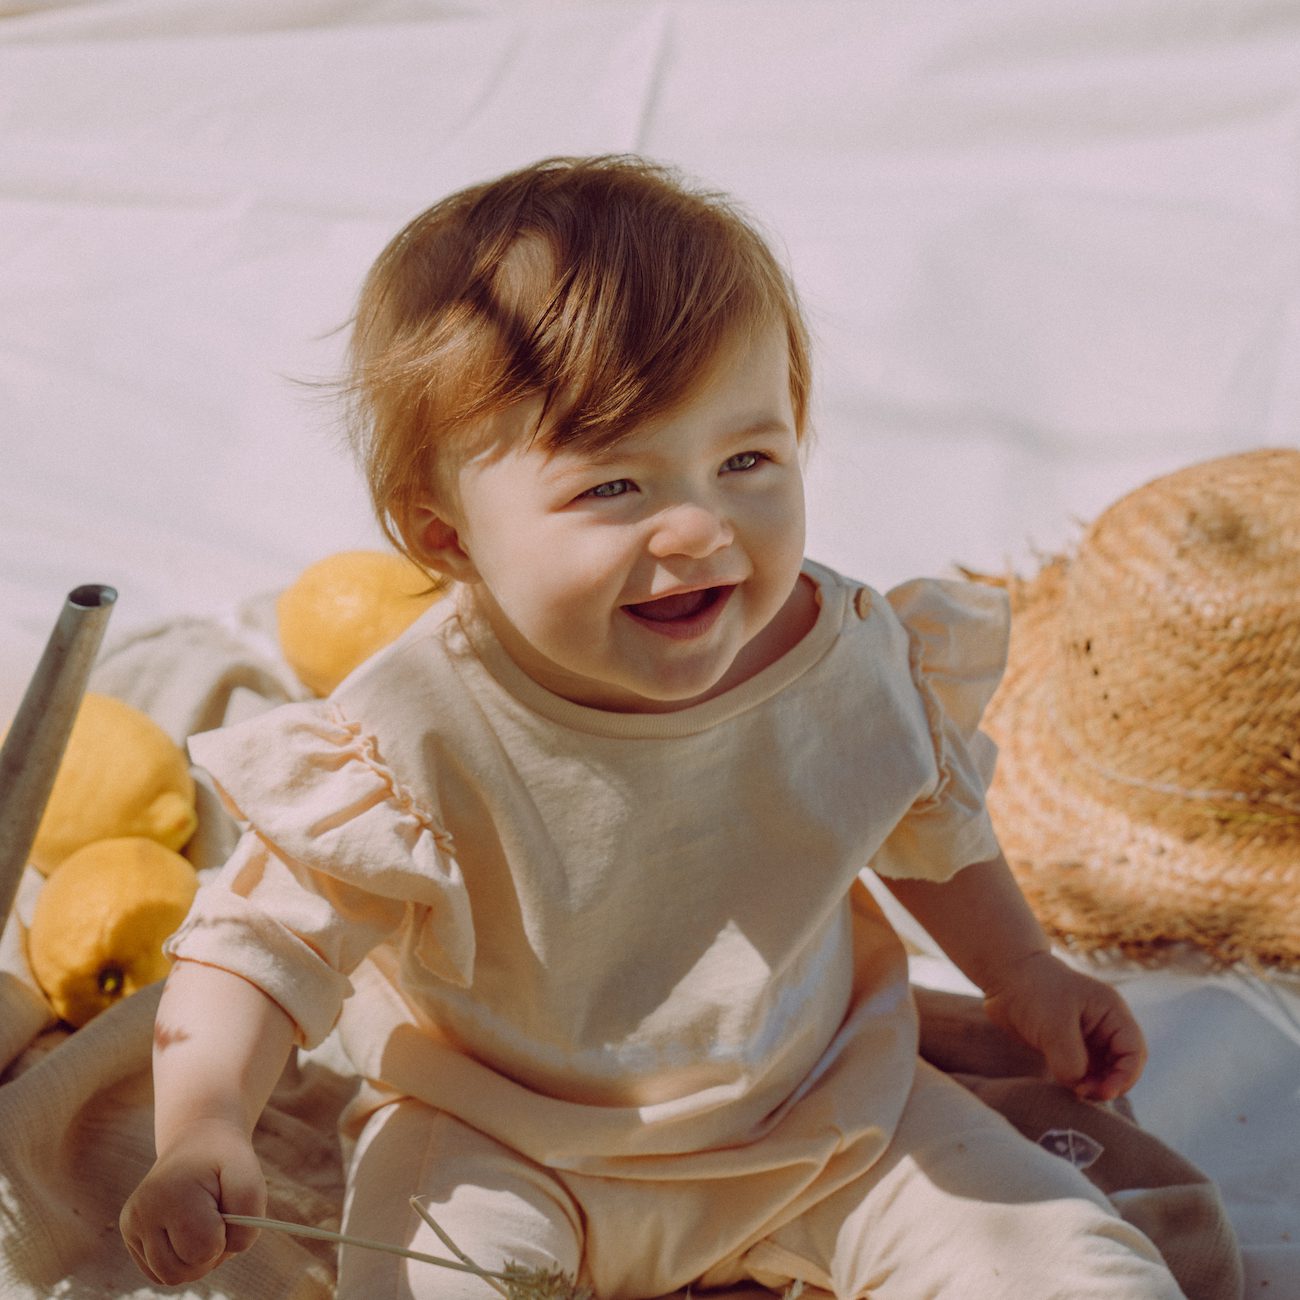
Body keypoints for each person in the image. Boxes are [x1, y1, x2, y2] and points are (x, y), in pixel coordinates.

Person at [119, 155, 1184, 1299]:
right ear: (444, 539)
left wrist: (1020, 969)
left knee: (1068, 1268)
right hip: (501, 1137)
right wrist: (206, 1124)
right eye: (611, 488)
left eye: (745, 460)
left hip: (822, 1109)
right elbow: (259, 950)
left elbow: (922, 818)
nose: (699, 529)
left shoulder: (842, 659)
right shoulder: (410, 731)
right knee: (421, 1279)